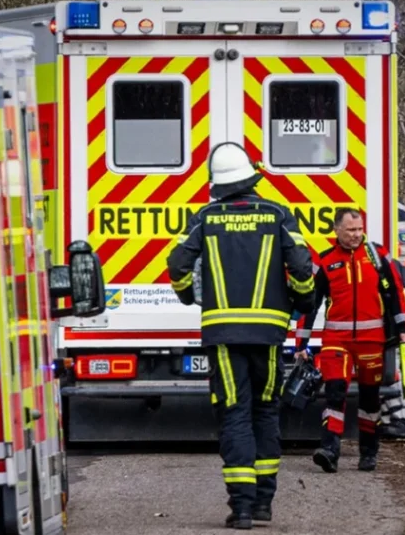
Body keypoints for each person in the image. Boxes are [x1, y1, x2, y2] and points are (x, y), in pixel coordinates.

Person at [167, 142, 316, 530]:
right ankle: (264, 503)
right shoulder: (278, 215)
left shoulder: (205, 218)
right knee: (266, 412)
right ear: (251, 177)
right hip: (268, 335)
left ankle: (243, 508)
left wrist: (188, 296)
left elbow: (178, 265)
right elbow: (302, 270)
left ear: (217, 183)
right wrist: (304, 301)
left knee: (234, 414)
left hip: (223, 335)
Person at [296, 208, 405, 473]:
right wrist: (301, 345)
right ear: (337, 230)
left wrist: (404, 326)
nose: (356, 235)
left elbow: (396, 292)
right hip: (336, 341)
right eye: (350, 230)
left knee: (370, 400)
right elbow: (310, 306)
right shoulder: (326, 262)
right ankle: (330, 450)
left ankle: (369, 452)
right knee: (335, 393)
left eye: (359, 229)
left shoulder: (377, 256)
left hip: (373, 341)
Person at [380, 201, 405, 440]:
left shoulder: (396, 210)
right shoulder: (398, 209)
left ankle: (400, 418)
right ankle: (392, 418)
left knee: (394, 358)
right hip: (399, 291)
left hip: (395, 292)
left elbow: (401, 257)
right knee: (392, 357)